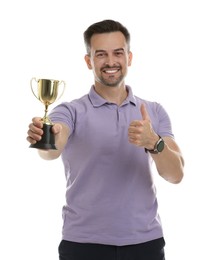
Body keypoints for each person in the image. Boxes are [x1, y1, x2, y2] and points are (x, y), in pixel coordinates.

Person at [27, 19, 184, 260]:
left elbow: (176, 175)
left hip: (145, 244)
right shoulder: (71, 111)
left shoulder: (154, 111)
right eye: (101, 55)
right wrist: (45, 137)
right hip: (82, 245)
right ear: (89, 61)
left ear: (129, 58)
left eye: (117, 53)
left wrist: (154, 142)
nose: (110, 62)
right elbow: (51, 150)